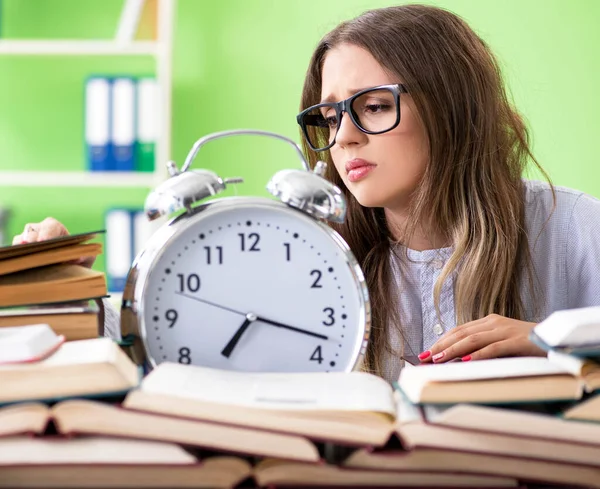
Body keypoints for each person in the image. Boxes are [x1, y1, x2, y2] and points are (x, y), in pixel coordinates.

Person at [14, 4, 600, 384]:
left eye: (373, 106)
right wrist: (60, 288)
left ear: (454, 107)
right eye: (329, 117)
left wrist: (557, 344)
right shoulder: (311, 250)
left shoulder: (571, 228)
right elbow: (171, 328)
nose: (343, 138)